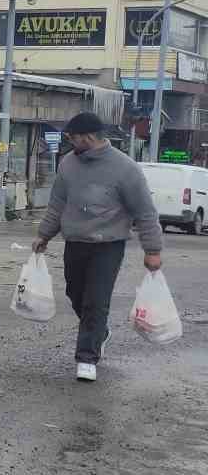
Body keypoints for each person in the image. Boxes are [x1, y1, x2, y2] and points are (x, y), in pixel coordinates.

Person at [31, 111, 163, 382]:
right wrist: (43, 235)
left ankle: (87, 358)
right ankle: (99, 332)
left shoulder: (125, 169)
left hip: (108, 245)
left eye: (73, 137)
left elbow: (145, 212)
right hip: (75, 242)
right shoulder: (68, 164)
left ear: (88, 137)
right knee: (75, 293)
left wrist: (153, 250)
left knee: (96, 301)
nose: (70, 142)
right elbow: (57, 204)